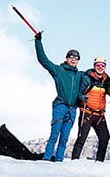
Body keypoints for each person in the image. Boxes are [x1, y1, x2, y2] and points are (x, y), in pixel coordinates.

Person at [34, 32, 84, 162]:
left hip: (72, 109)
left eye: (76, 58)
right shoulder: (58, 70)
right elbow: (43, 60)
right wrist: (38, 42)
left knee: (64, 138)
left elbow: (94, 76)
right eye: (71, 57)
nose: (74, 59)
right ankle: (46, 159)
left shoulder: (80, 75)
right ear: (66, 58)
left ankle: (59, 161)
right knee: (54, 135)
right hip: (60, 106)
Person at [71, 56, 110, 162]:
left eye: (102, 65)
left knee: (105, 138)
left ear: (105, 67)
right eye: (98, 65)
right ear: (94, 66)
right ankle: (74, 160)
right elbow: (79, 93)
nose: (100, 67)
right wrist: (82, 97)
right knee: (82, 138)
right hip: (87, 112)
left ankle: (99, 161)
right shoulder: (87, 78)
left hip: (99, 115)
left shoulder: (106, 80)